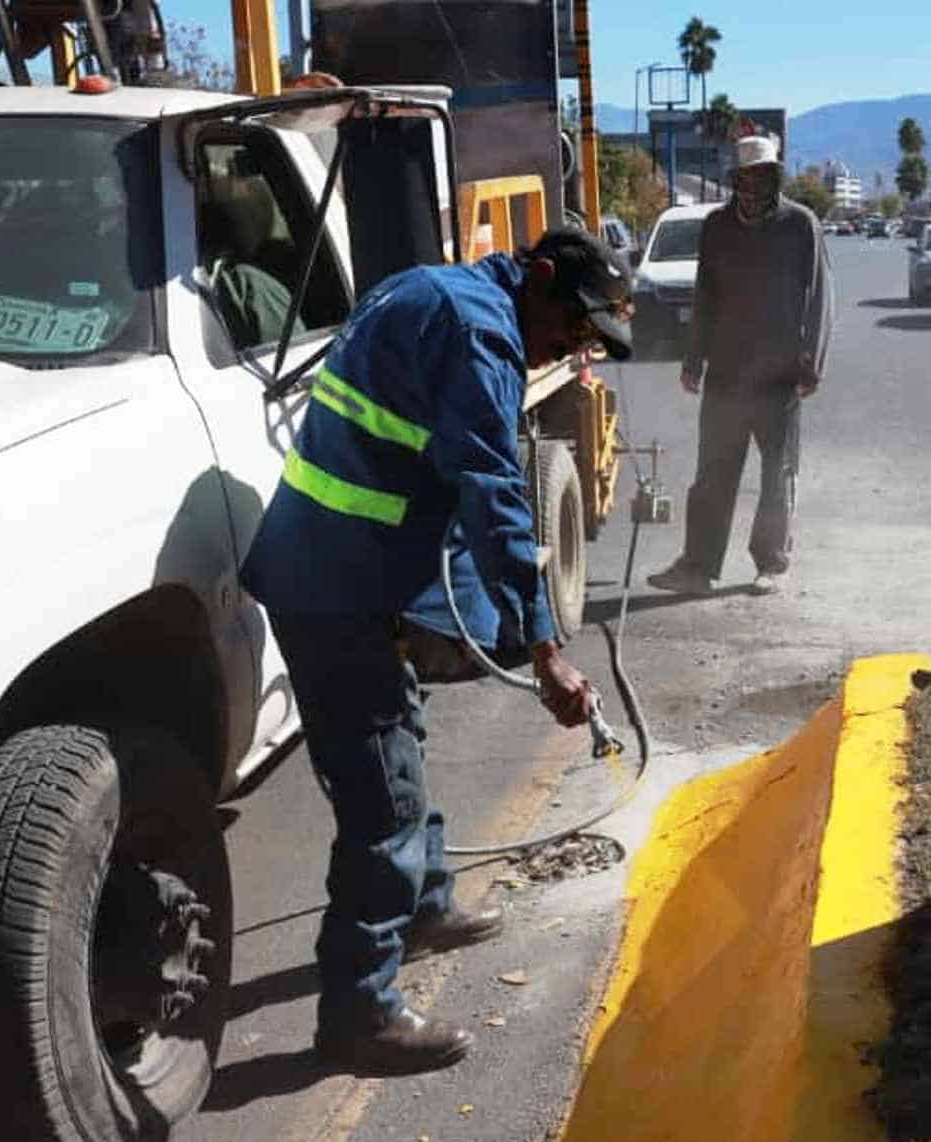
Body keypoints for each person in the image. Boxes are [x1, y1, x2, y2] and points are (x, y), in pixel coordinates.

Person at [240, 227, 634, 1074]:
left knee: (401, 739)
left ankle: (425, 904)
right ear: (535, 279)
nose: (569, 347)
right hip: (332, 586)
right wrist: (543, 647)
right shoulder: (478, 332)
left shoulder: (439, 289)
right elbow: (492, 489)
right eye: (570, 328)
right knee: (382, 804)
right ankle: (359, 1012)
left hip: (343, 570)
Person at [646, 133, 834, 597]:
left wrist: (812, 361)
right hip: (727, 372)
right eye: (745, 177)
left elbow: (820, 296)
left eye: (762, 176)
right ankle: (698, 566)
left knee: (777, 473)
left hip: (779, 374)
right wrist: (693, 358)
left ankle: (770, 562)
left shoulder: (800, 224)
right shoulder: (717, 226)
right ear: (734, 179)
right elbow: (705, 295)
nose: (752, 186)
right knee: (713, 473)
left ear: (775, 177)